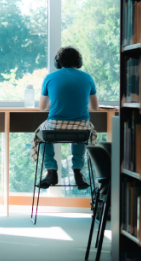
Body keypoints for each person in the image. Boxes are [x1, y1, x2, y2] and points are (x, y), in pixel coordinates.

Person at [32, 46, 98, 189]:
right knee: (82, 132)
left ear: (58, 62)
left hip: (55, 127)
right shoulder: (87, 77)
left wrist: (57, 101)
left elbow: (42, 107)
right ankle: (78, 171)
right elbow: (95, 107)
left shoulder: (49, 78)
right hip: (81, 128)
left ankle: (50, 170)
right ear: (78, 61)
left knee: (40, 134)